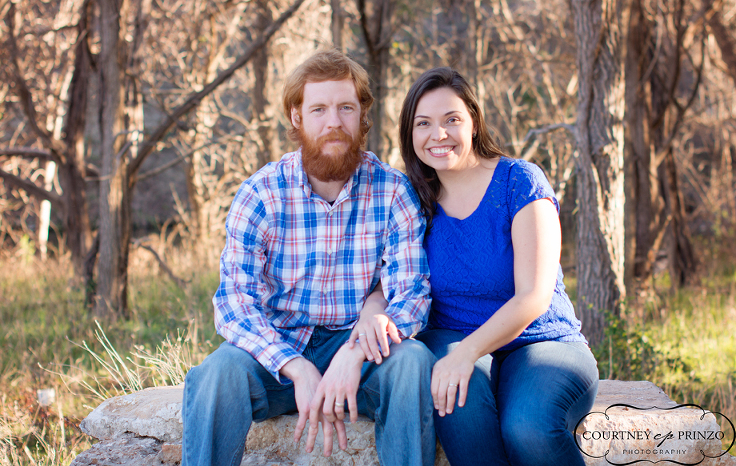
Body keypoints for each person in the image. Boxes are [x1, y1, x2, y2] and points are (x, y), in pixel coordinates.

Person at [181, 49, 436, 466]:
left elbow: (413, 294)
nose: (333, 122)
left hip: (360, 350)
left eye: (345, 108)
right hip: (276, 352)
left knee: (412, 363)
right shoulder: (261, 194)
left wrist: (352, 353)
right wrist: (296, 367)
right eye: (318, 109)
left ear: (362, 116)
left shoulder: (393, 192)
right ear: (297, 117)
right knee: (216, 375)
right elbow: (235, 306)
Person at [397, 67, 599, 466]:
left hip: (542, 343)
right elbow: (383, 276)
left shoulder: (518, 181)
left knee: (529, 426)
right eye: (423, 124)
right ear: (410, 134)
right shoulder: (410, 199)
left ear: (473, 121)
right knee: (457, 402)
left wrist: (466, 353)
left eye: (451, 119)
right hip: (451, 336)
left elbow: (534, 295)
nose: (438, 135)